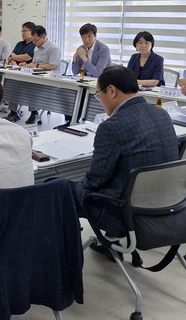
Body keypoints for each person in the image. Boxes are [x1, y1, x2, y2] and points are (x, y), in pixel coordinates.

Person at [73, 66, 179, 254]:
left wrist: (84, 181)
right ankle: (109, 243)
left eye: (98, 94)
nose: (100, 100)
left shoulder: (112, 126)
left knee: (58, 187)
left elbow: (95, 181)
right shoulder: (161, 114)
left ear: (111, 91)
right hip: (166, 204)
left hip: (124, 213)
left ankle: (67, 252)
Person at [7, 26, 62, 124]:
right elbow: (34, 63)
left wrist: (36, 65)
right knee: (14, 84)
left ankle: (34, 113)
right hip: (36, 75)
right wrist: (26, 65)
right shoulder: (36, 48)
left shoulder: (53, 49)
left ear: (43, 37)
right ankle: (13, 112)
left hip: (49, 78)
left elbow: (53, 66)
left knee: (30, 86)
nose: (34, 43)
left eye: (36, 40)